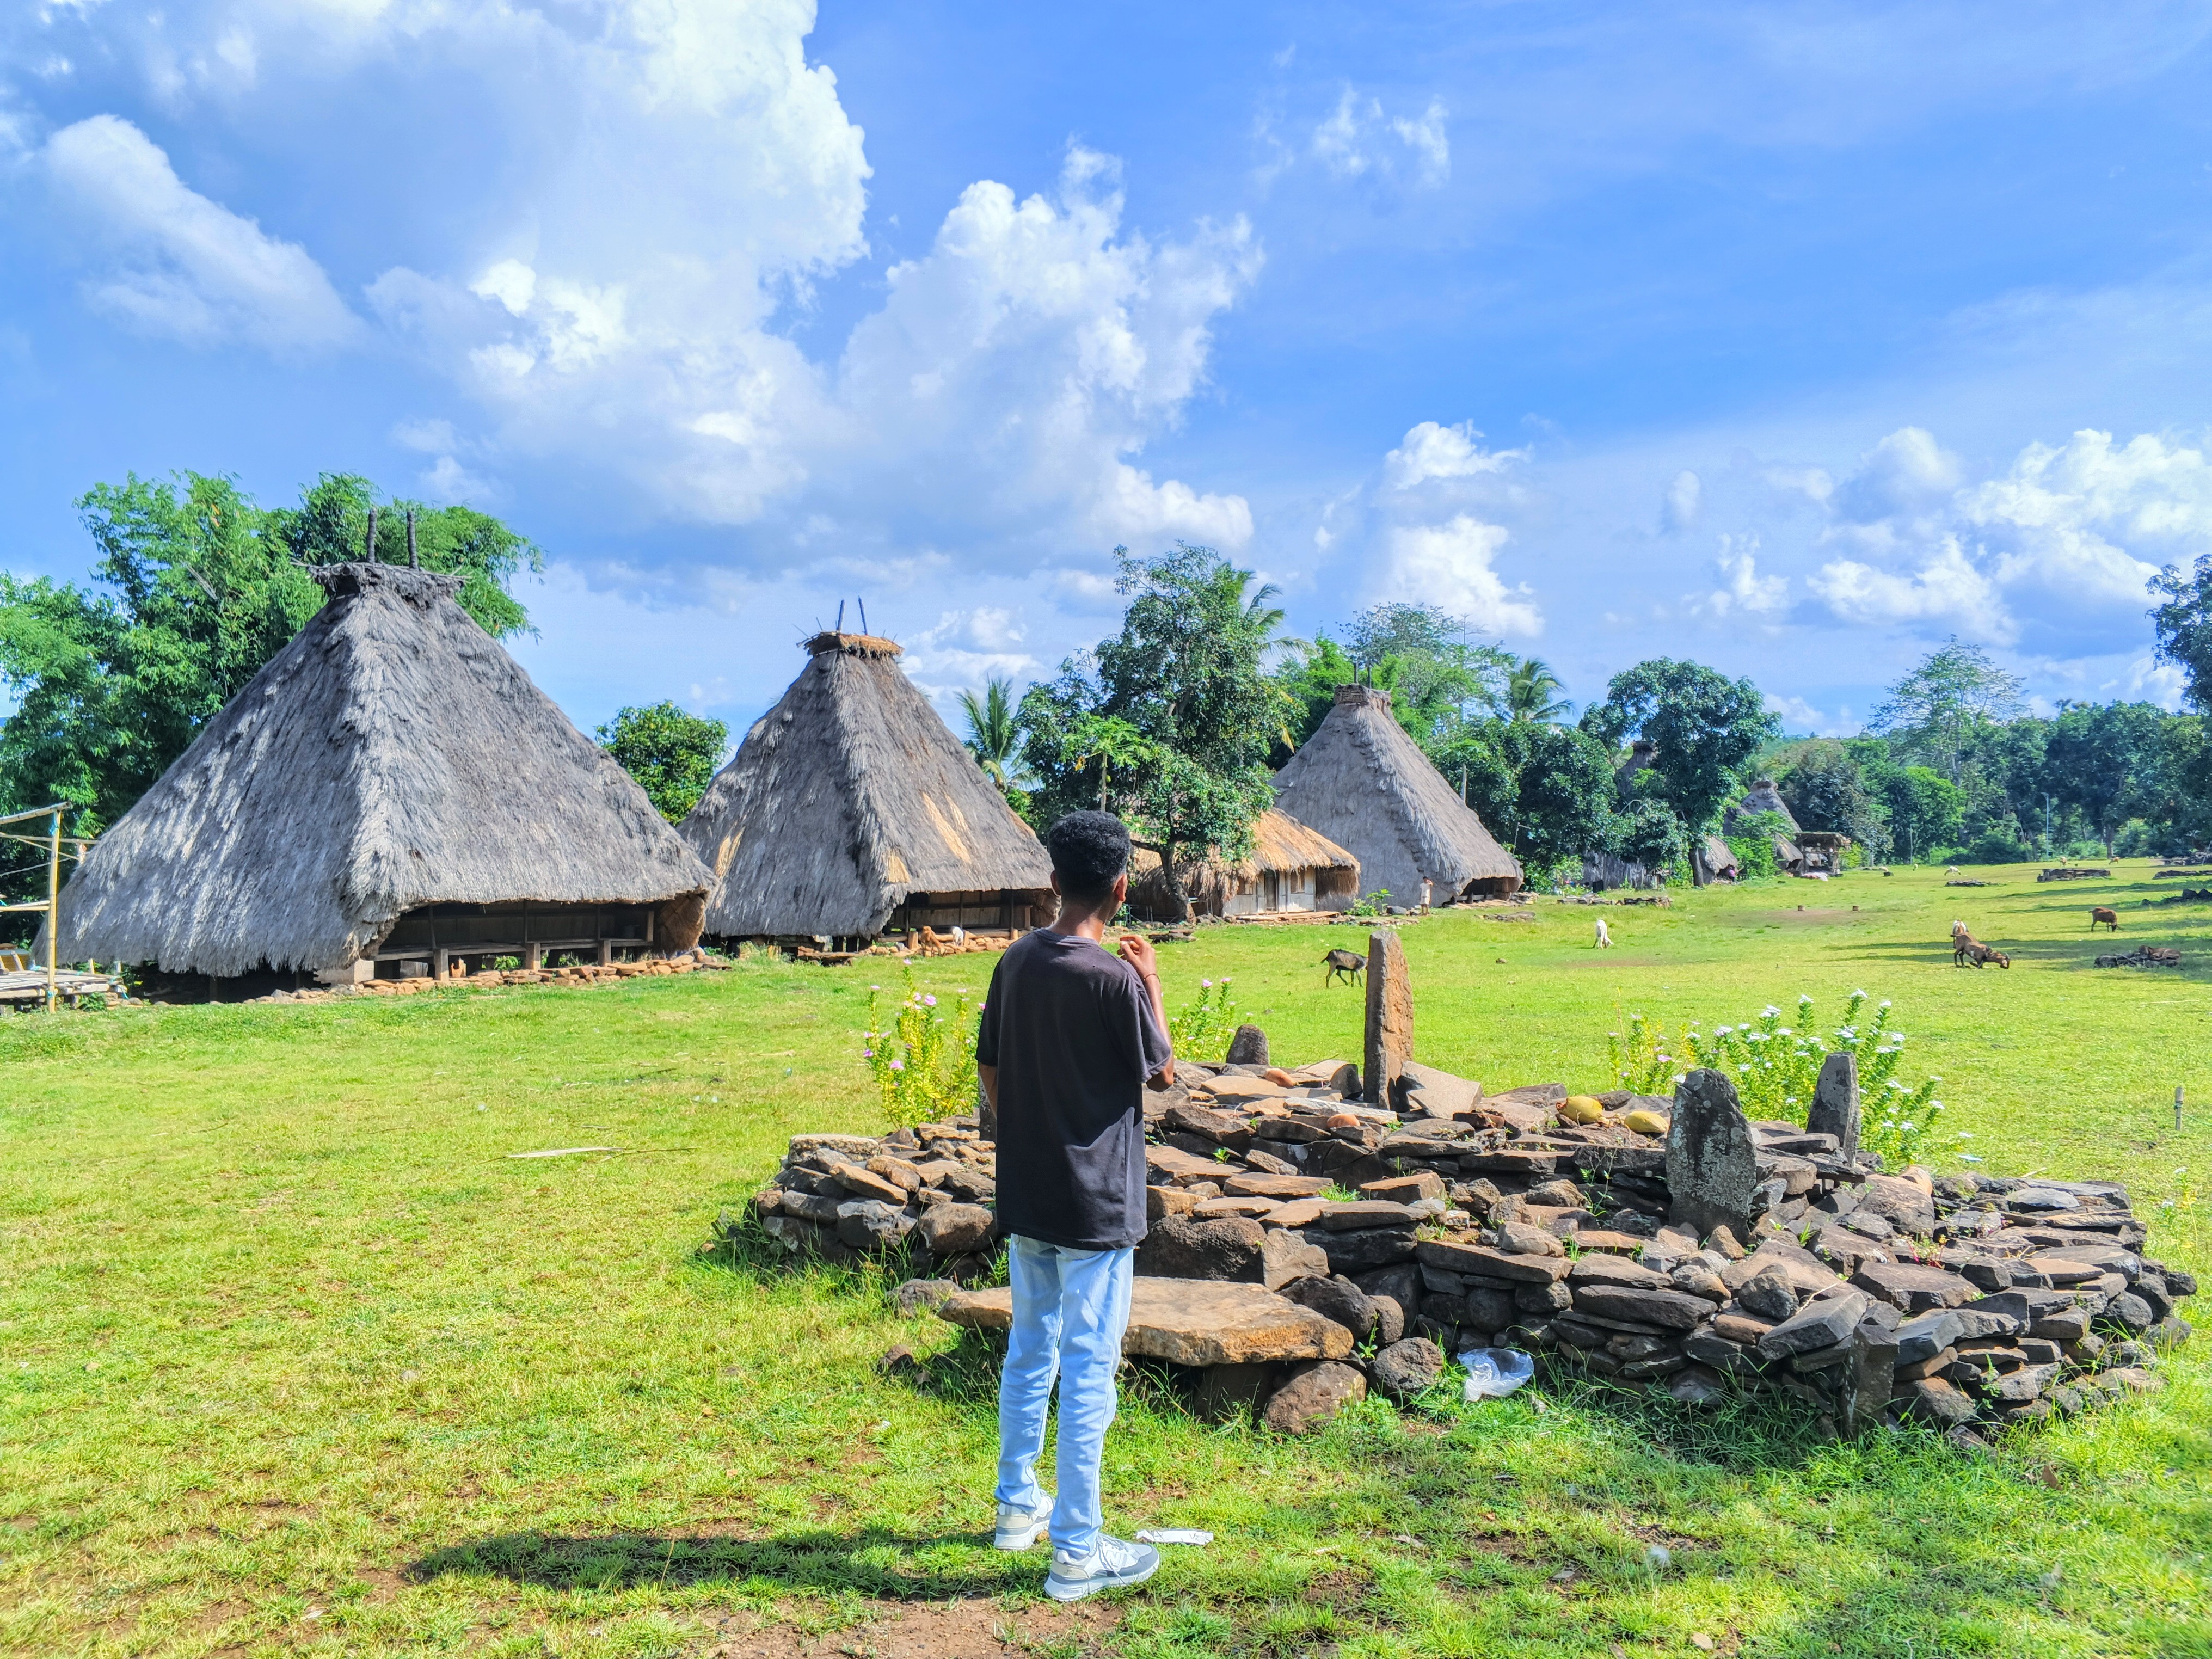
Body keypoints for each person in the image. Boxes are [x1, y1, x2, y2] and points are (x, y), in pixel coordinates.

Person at [975, 809, 1175, 1602]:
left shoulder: (1017, 960)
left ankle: (1016, 1508)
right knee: (1090, 1368)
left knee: (1031, 1350)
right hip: (1096, 1206)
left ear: (1052, 881)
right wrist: (1154, 979)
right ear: (1121, 889)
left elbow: (991, 1069)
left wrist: (1030, 1127)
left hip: (1029, 1194)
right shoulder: (1115, 978)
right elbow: (1161, 1074)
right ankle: (1078, 1553)